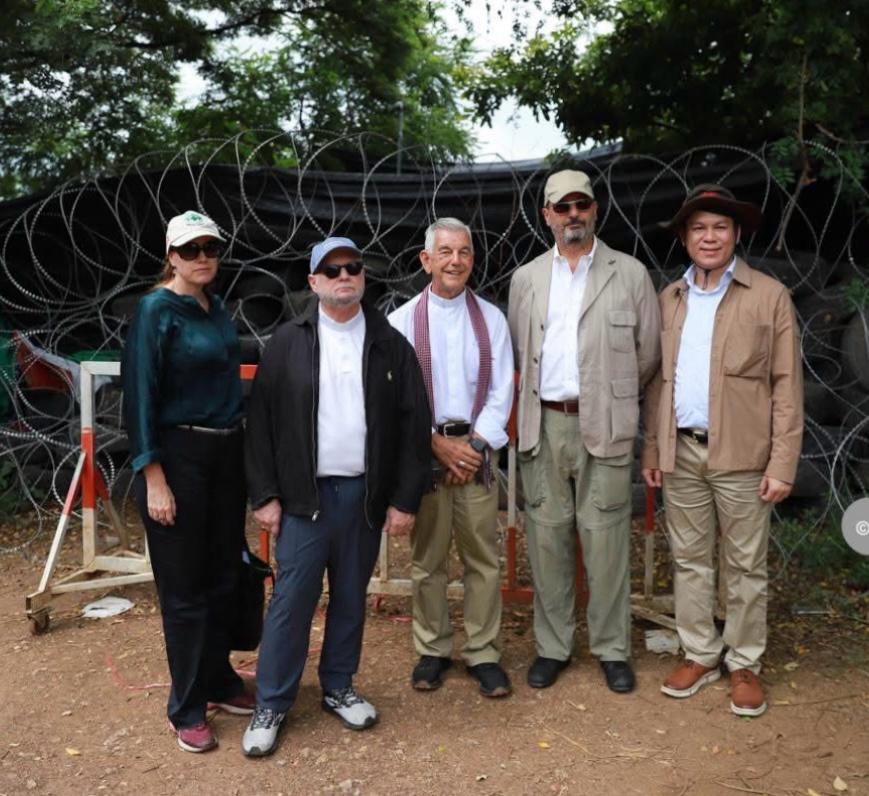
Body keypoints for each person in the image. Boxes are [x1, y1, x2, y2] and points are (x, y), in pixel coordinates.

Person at [241, 236, 431, 757]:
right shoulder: (287, 342)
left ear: (363, 278)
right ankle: (272, 702)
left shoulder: (390, 343)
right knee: (290, 604)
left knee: (350, 599)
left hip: (364, 499)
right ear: (314, 283)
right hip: (305, 499)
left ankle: (339, 686)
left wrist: (405, 499)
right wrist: (265, 495)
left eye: (353, 268)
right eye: (332, 270)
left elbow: (415, 426)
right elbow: (259, 426)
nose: (344, 276)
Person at [641, 184, 803, 717]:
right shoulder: (671, 298)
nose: (709, 237)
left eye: (720, 227)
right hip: (681, 452)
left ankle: (745, 662)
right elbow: (658, 382)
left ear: (735, 235)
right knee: (689, 560)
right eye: (698, 228)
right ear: (686, 239)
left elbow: (786, 384)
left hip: (742, 454)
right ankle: (700, 652)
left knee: (744, 565)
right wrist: (653, 451)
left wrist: (782, 463)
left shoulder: (768, 295)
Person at [508, 170, 661, 693]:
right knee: (547, 541)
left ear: (596, 210)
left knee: (607, 542)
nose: (573, 214)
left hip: (605, 423)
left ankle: (612, 649)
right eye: (563, 206)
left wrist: (607, 393)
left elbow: (648, 357)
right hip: (543, 423)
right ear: (546, 215)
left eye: (582, 204)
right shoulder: (526, 279)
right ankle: (553, 647)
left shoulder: (630, 274)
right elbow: (519, 352)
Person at [122, 210, 254, 753]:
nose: (204, 257)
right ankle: (187, 705)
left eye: (211, 248)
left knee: (224, 574)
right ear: (171, 255)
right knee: (184, 589)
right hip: (177, 456)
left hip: (226, 454)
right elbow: (140, 395)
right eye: (192, 249)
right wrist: (154, 476)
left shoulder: (216, 307)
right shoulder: (156, 311)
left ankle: (220, 679)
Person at [388, 218, 515, 697]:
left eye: (463, 252)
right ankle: (433, 650)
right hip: (427, 453)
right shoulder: (401, 322)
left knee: (483, 559)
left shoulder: (492, 319)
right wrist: (434, 444)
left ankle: (483, 653)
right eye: (445, 252)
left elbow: (503, 387)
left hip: (476, 456)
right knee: (428, 560)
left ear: (472, 260)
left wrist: (475, 447)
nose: (455, 260)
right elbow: (397, 399)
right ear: (426, 260)